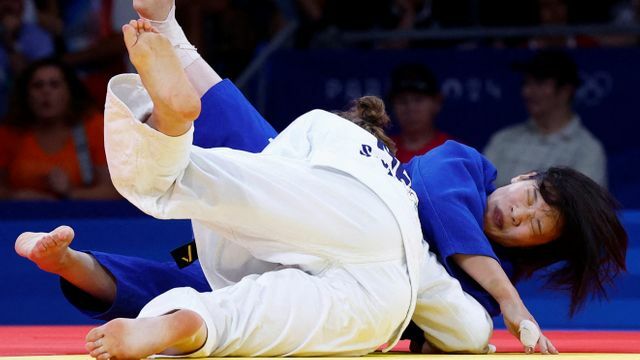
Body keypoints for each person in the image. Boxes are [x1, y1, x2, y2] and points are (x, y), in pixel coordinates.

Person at [15, 0, 627, 355]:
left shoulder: (473, 294)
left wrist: (70, 266)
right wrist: (510, 305)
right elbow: (439, 205)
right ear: (522, 174)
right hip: (349, 189)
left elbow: (454, 330)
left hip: (326, 264)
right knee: (242, 166)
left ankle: (181, 317)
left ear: (535, 251)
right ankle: (171, 84)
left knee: (237, 289)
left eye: (534, 228)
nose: (519, 215)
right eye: (532, 199)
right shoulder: (463, 164)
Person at [86, 18, 496, 359]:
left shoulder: (327, 125)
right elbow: (467, 327)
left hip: (335, 203)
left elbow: (266, 168)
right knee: (265, 316)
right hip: (384, 286)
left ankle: (169, 129)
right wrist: (470, 335)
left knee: (193, 179)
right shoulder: (403, 202)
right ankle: (188, 325)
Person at [484, 50, 608, 188]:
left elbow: (585, 206)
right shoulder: (503, 139)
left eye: (540, 83)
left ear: (565, 91)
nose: (527, 92)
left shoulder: (588, 150)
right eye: (526, 83)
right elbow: (479, 190)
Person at [0, 58, 120, 200]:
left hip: (82, 218)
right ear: (26, 95)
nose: (46, 92)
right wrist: (16, 197)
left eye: (55, 85)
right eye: (38, 86)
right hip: (20, 219)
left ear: (69, 92)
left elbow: (113, 191)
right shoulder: (9, 132)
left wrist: (70, 193)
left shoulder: (94, 127)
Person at [388, 63, 452, 163]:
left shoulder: (453, 152)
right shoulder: (383, 152)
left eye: (418, 100)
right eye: (402, 101)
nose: (410, 108)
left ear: (437, 103)